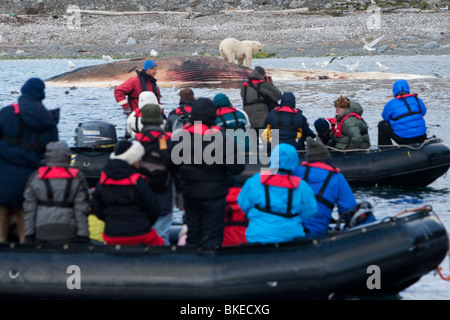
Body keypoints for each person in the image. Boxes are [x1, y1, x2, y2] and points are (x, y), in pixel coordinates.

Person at [168, 97, 245, 250]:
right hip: (215, 196)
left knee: (193, 233)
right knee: (213, 236)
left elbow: (170, 165)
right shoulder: (222, 138)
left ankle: (192, 264)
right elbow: (237, 168)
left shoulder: (180, 137)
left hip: (190, 194)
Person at [0, 78, 59, 243]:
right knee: (26, 227)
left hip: (3, 176)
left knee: (1, 222)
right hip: (31, 178)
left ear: (23, 92)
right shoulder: (48, 119)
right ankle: (27, 261)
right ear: (42, 95)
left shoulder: (6, 113)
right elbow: (52, 151)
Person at [237, 143, 317, 244]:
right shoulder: (302, 186)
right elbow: (309, 212)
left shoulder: (255, 180)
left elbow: (243, 204)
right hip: (291, 237)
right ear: (294, 160)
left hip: (258, 235)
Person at [90, 140, 163, 246]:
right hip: (140, 232)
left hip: (112, 234)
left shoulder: (104, 180)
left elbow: (96, 208)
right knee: (160, 244)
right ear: (132, 159)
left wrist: (111, 221)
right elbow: (154, 209)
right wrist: (144, 223)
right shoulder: (138, 181)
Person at [292, 137, 369, 235]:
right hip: (317, 230)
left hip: (289, 229)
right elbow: (348, 209)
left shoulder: (295, 172)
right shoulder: (336, 177)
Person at [23, 141, 90, 244]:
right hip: (68, 231)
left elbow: (29, 209)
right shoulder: (78, 178)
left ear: (47, 157)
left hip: (41, 230)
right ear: (68, 157)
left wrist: (29, 234)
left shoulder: (35, 177)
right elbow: (81, 209)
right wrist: (83, 235)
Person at [136, 103, 174, 245]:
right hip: (164, 195)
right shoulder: (168, 140)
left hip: (140, 196)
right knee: (162, 236)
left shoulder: (135, 141)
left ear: (143, 120)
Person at [378, 79, 427, 146]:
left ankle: (385, 149)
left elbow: (385, 118)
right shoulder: (417, 100)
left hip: (404, 139)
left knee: (382, 124)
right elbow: (423, 112)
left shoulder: (390, 104)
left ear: (394, 91)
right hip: (422, 136)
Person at [241, 66, 282, 131]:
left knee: (253, 140)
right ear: (262, 75)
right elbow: (278, 95)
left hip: (249, 120)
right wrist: (271, 84)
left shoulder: (244, 86)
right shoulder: (263, 85)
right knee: (267, 140)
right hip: (262, 120)